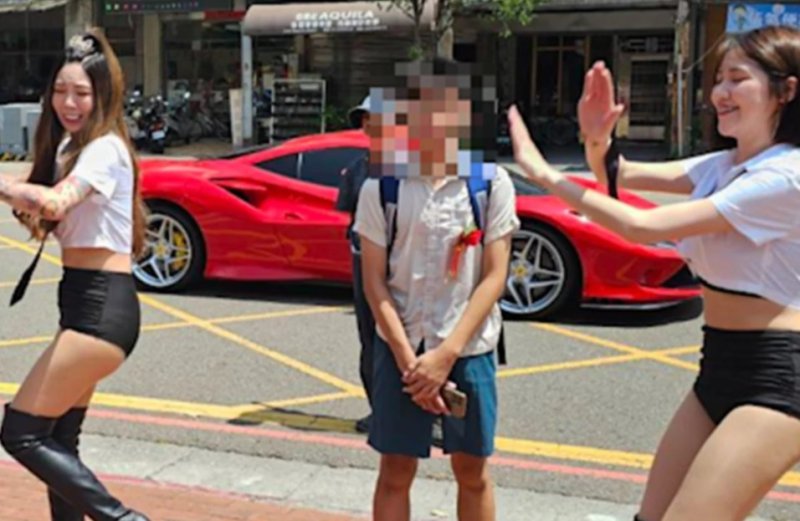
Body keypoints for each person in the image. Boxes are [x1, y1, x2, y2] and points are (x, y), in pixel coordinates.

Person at [509, 25, 800, 521]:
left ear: (786, 90)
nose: (720, 93)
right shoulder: (725, 165)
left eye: (737, 79)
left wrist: (542, 174)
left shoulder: (785, 176)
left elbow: (640, 226)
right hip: (720, 360)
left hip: (778, 374)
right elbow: (614, 176)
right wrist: (597, 137)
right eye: (718, 80)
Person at [355, 58, 518, 521]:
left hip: (468, 349)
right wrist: (412, 364)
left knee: (472, 470)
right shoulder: (381, 187)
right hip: (401, 349)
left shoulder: (491, 184)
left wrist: (445, 355)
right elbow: (374, 282)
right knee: (395, 469)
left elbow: (494, 276)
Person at [0, 29, 149, 521]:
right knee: (59, 439)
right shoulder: (73, 146)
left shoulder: (104, 148)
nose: (68, 102)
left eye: (81, 93)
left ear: (102, 95)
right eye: (60, 91)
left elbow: (54, 202)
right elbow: (45, 209)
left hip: (101, 311)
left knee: (21, 432)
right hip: (86, 304)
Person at [336, 95, 375, 433]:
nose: (370, 125)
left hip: (402, 263)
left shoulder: (414, 169)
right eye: (366, 119)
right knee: (370, 340)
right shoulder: (356, 169)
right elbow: (347, 211)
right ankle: (380, 409)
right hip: (364, 259)